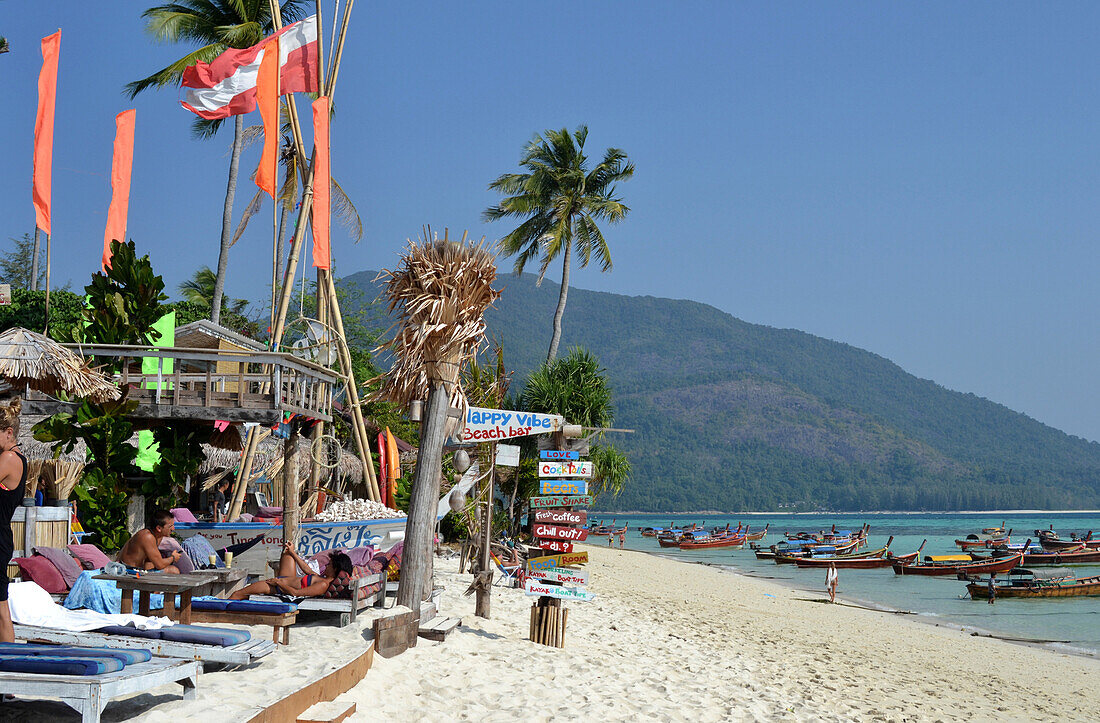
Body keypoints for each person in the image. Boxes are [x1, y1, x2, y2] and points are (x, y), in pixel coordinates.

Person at [230, 542, 355, 600]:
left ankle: (218, 610)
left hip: (277, 587)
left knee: (239, 594)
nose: (326, 565)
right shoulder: (322, 578)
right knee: (287, 555)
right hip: (285, 579)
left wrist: (277, 583)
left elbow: (295, 593)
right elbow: (306, 569)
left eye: (329, 564)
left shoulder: (323, 585)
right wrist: (293, 552)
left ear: (335, 569)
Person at [0, 399, 26, 643]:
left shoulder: (8, 458)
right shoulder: (12, 457)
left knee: (1, 609)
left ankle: (6, 661)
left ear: (9, 433)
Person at [117, 509, 182, 573]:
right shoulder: (147, 537)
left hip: (138, 568)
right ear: (159, 528)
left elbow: (149, 562)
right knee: (173, 570)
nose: (173, 529)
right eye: (170, 526)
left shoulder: (158, 536)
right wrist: (173, 557)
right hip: (128, 570)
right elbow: (160, 565)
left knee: (154, 565)